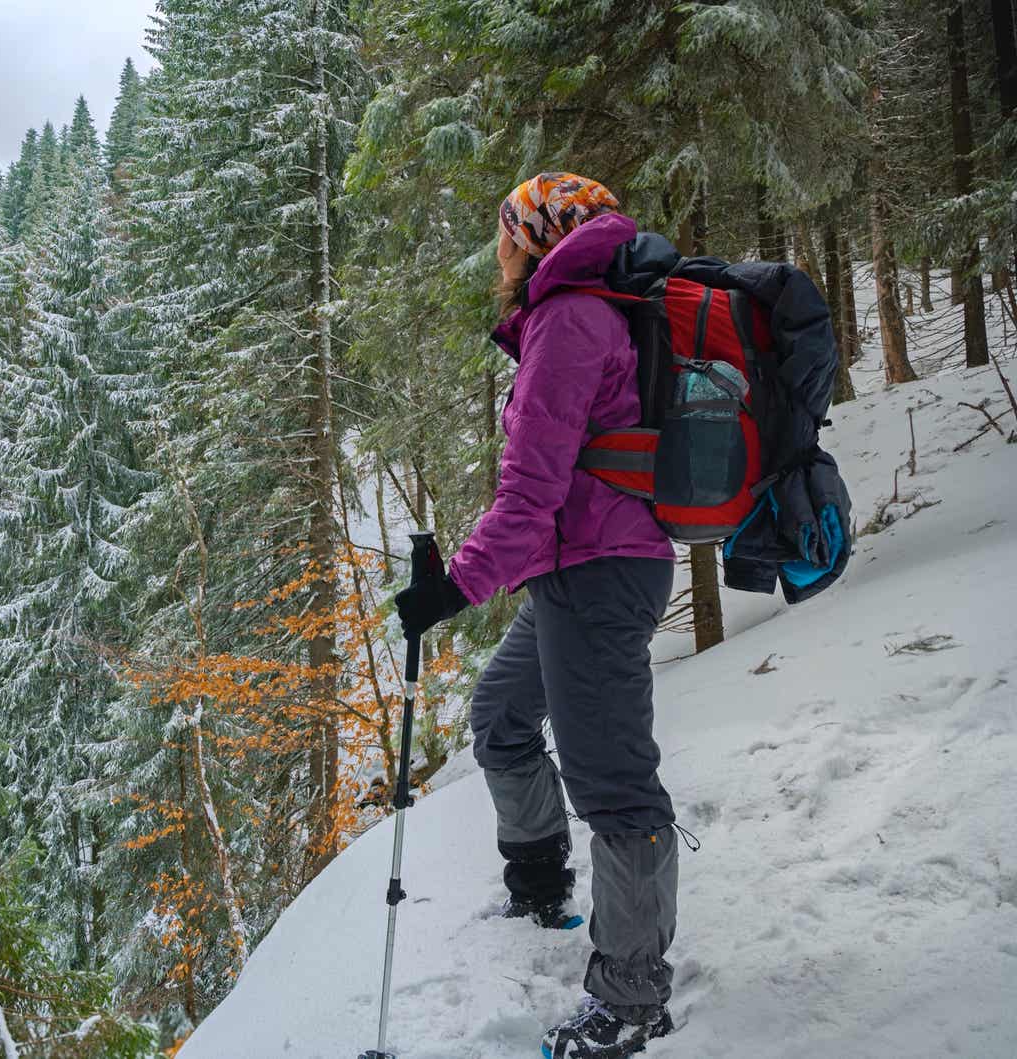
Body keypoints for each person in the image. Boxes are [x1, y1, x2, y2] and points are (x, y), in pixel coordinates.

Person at [395, 173, 680, 1059]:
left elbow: (532, 491)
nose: (499, 252)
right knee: (503, 718)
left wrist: (454, 587)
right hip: (579, 564)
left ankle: (632, 996)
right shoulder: (586, 306)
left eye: (505, 235)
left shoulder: (571, 316)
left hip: (598, 570)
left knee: (614, 781)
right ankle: (538, 881)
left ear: (535, 238)